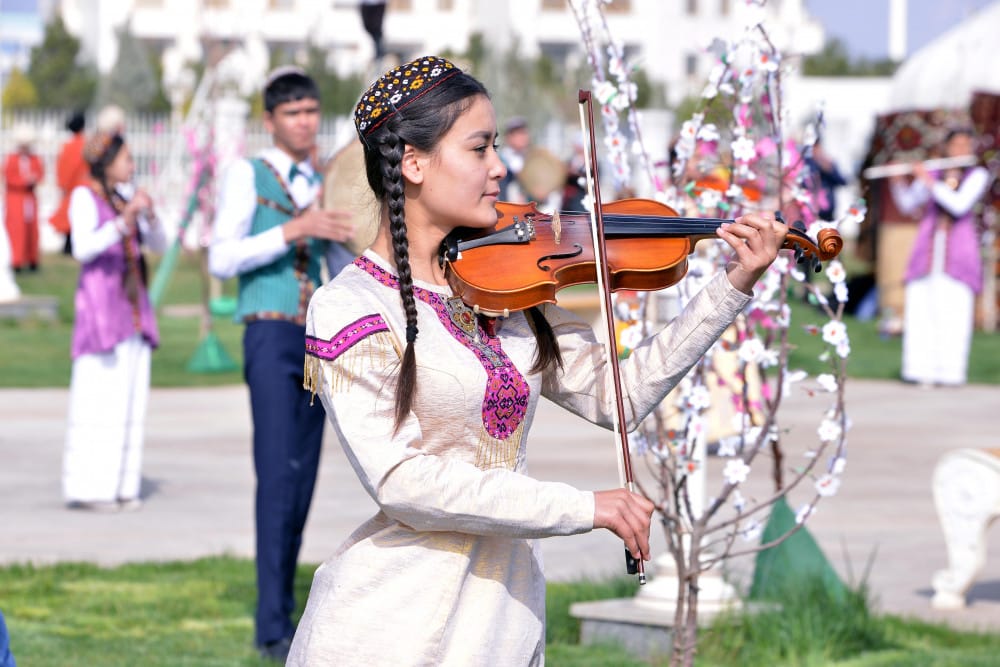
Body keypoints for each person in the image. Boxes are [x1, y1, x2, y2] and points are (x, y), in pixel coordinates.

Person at [287, 55, 786, 666]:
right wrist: (583, 507)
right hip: (391, 623)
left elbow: (618, 395)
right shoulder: (350, 306)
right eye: (478, 149)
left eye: (496, 146)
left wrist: (731, 285)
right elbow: (401, 482)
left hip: (506, 617)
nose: (500, 168)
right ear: (413, 163)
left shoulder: (505, 282)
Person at [207, 66, 355, 661]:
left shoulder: (326, 178)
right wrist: (295, 228)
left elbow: (342, 260)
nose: (305, 123)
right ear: (270, 121)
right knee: (276, 475)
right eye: (293, 114)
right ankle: (271, 625)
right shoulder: (248, 174)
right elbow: (220, 256)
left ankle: (287, 611)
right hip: (268, 335)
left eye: (311, 111)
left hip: (317, 339)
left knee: (304, 478)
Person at [62, 130, 166, 511]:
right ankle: (90, 487)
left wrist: (149, 217)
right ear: (106, 163)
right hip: (102, 309)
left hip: (134, 310)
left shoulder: (124, 198)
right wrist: (124, 221)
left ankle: (124, 484)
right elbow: (84, 247)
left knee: (130, 400)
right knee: (98, 397)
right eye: (125, 158)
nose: (131, 165)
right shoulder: (83, 196)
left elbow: (159, 246)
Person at [889, 127, 991, 387]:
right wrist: (900, 180)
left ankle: (950, 371)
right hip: (927, 252)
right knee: (921, 309)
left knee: (954, 311)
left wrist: (928, 180)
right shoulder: (935, 174)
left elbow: (958, 204)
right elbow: (907, 204)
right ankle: (919, 369)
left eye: (965, 146)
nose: (959, 151)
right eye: (955, 145)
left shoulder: (977, 175)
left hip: (958, 255)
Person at [3, 123, 44, 272]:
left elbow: (40, 172)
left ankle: (32, 259)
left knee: (32, 230)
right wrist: (23, 181)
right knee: (16, 229)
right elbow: (9, 176)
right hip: (16, 198)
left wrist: (33, 179)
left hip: (29, 198)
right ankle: (17, 261)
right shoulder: (12, 159)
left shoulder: (34, 158)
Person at [50, 110, 90, 255]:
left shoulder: (68, 146)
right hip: (84, 186)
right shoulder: (86, 144)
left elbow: (63, 169)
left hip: (72, 187)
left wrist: (63, 185)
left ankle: (69, 245)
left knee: (70, 217)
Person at [805, 138, 847, 221]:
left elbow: (842, 181)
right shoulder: (806, 164)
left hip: (829, 212)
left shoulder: (827, 162)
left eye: (817, 147)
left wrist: (830, 169)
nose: (815, 150)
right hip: (810, 212)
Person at [498, 115, 531, 202]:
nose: (522, 137)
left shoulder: (530, 159)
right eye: (517, 133)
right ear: (508, 137)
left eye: (523, 132)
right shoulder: (501, 159)